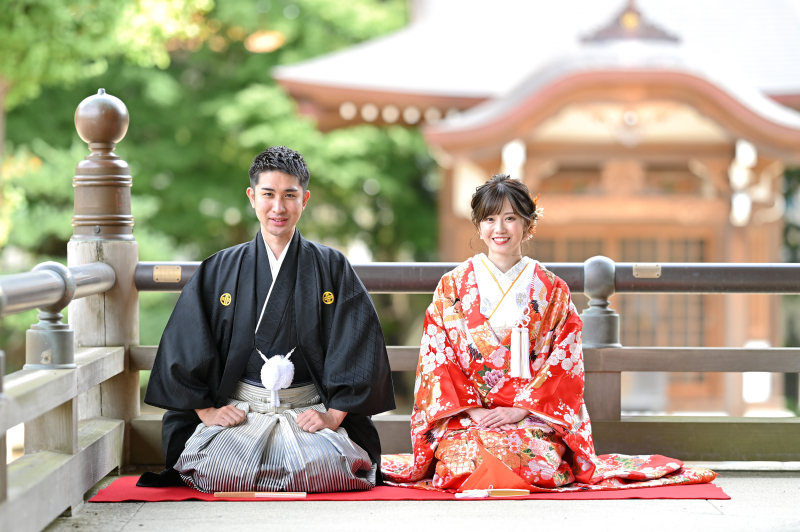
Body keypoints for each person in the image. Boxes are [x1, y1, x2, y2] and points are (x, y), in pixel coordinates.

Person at [381, 174, 715, 492]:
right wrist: (475, 411)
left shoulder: (551, 289)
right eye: (489, 219)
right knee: (462, 461)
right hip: (470, 416)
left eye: (510, 218)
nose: (499, 229)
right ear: (478, 225)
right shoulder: (452, 285)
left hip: (533, 416)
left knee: (537, 460)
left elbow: (564, 359)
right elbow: (438, 357)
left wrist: (520, 411)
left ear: (528, 224)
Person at [139, 146, 395, 493]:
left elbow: (358, 343)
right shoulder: (220, 268)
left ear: (304, 199)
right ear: (251, 197)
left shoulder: (332, 267)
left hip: (308, 410)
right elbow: (186, 342)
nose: (279, 207)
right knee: (218, 468)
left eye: (290, 195)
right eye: (268, 195)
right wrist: (207, 412)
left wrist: (333, 416)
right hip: (241, 410)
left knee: (328, 468)